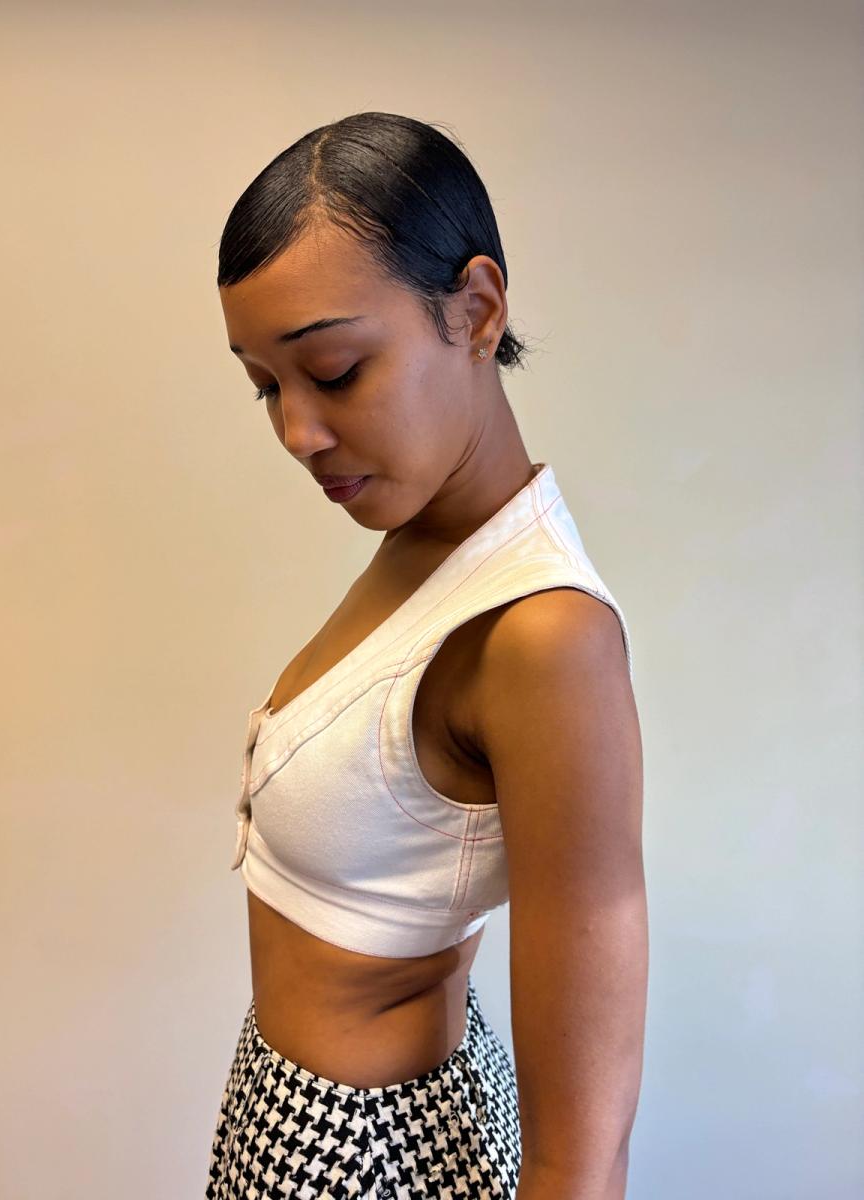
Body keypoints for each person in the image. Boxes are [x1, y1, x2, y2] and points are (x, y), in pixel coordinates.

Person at [206, 111, 647, 1200]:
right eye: (266, 385)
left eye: (335, 370)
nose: (297, 432)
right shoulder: (427, 541)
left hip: (364, 1153)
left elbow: (580, 1161)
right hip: (304, 1114)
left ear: (477, 311)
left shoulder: (542, 636)